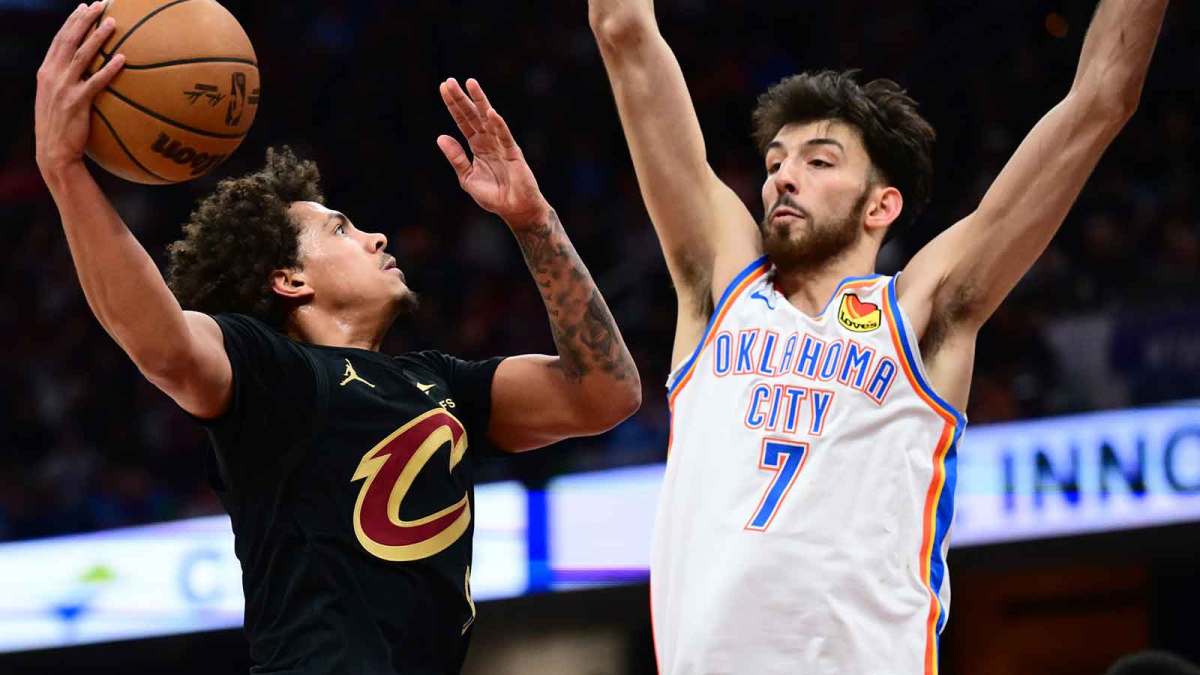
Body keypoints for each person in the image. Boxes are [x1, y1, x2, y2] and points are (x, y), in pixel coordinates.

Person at [34, 3, 640, 673]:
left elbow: (606, 394)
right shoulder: (275, 375)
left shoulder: (443, 385)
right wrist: (66, 172)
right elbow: (164, 343)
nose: (376, 236)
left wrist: (534, 221)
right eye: (342, 229)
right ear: (289, 279)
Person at [587, 0, 1167, 672]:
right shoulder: (723, 288)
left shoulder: (920, 311)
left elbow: (1101, 99)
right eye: (776, 161)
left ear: (880, 205)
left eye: (819, 160)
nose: (783, 175)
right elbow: (623, 30)